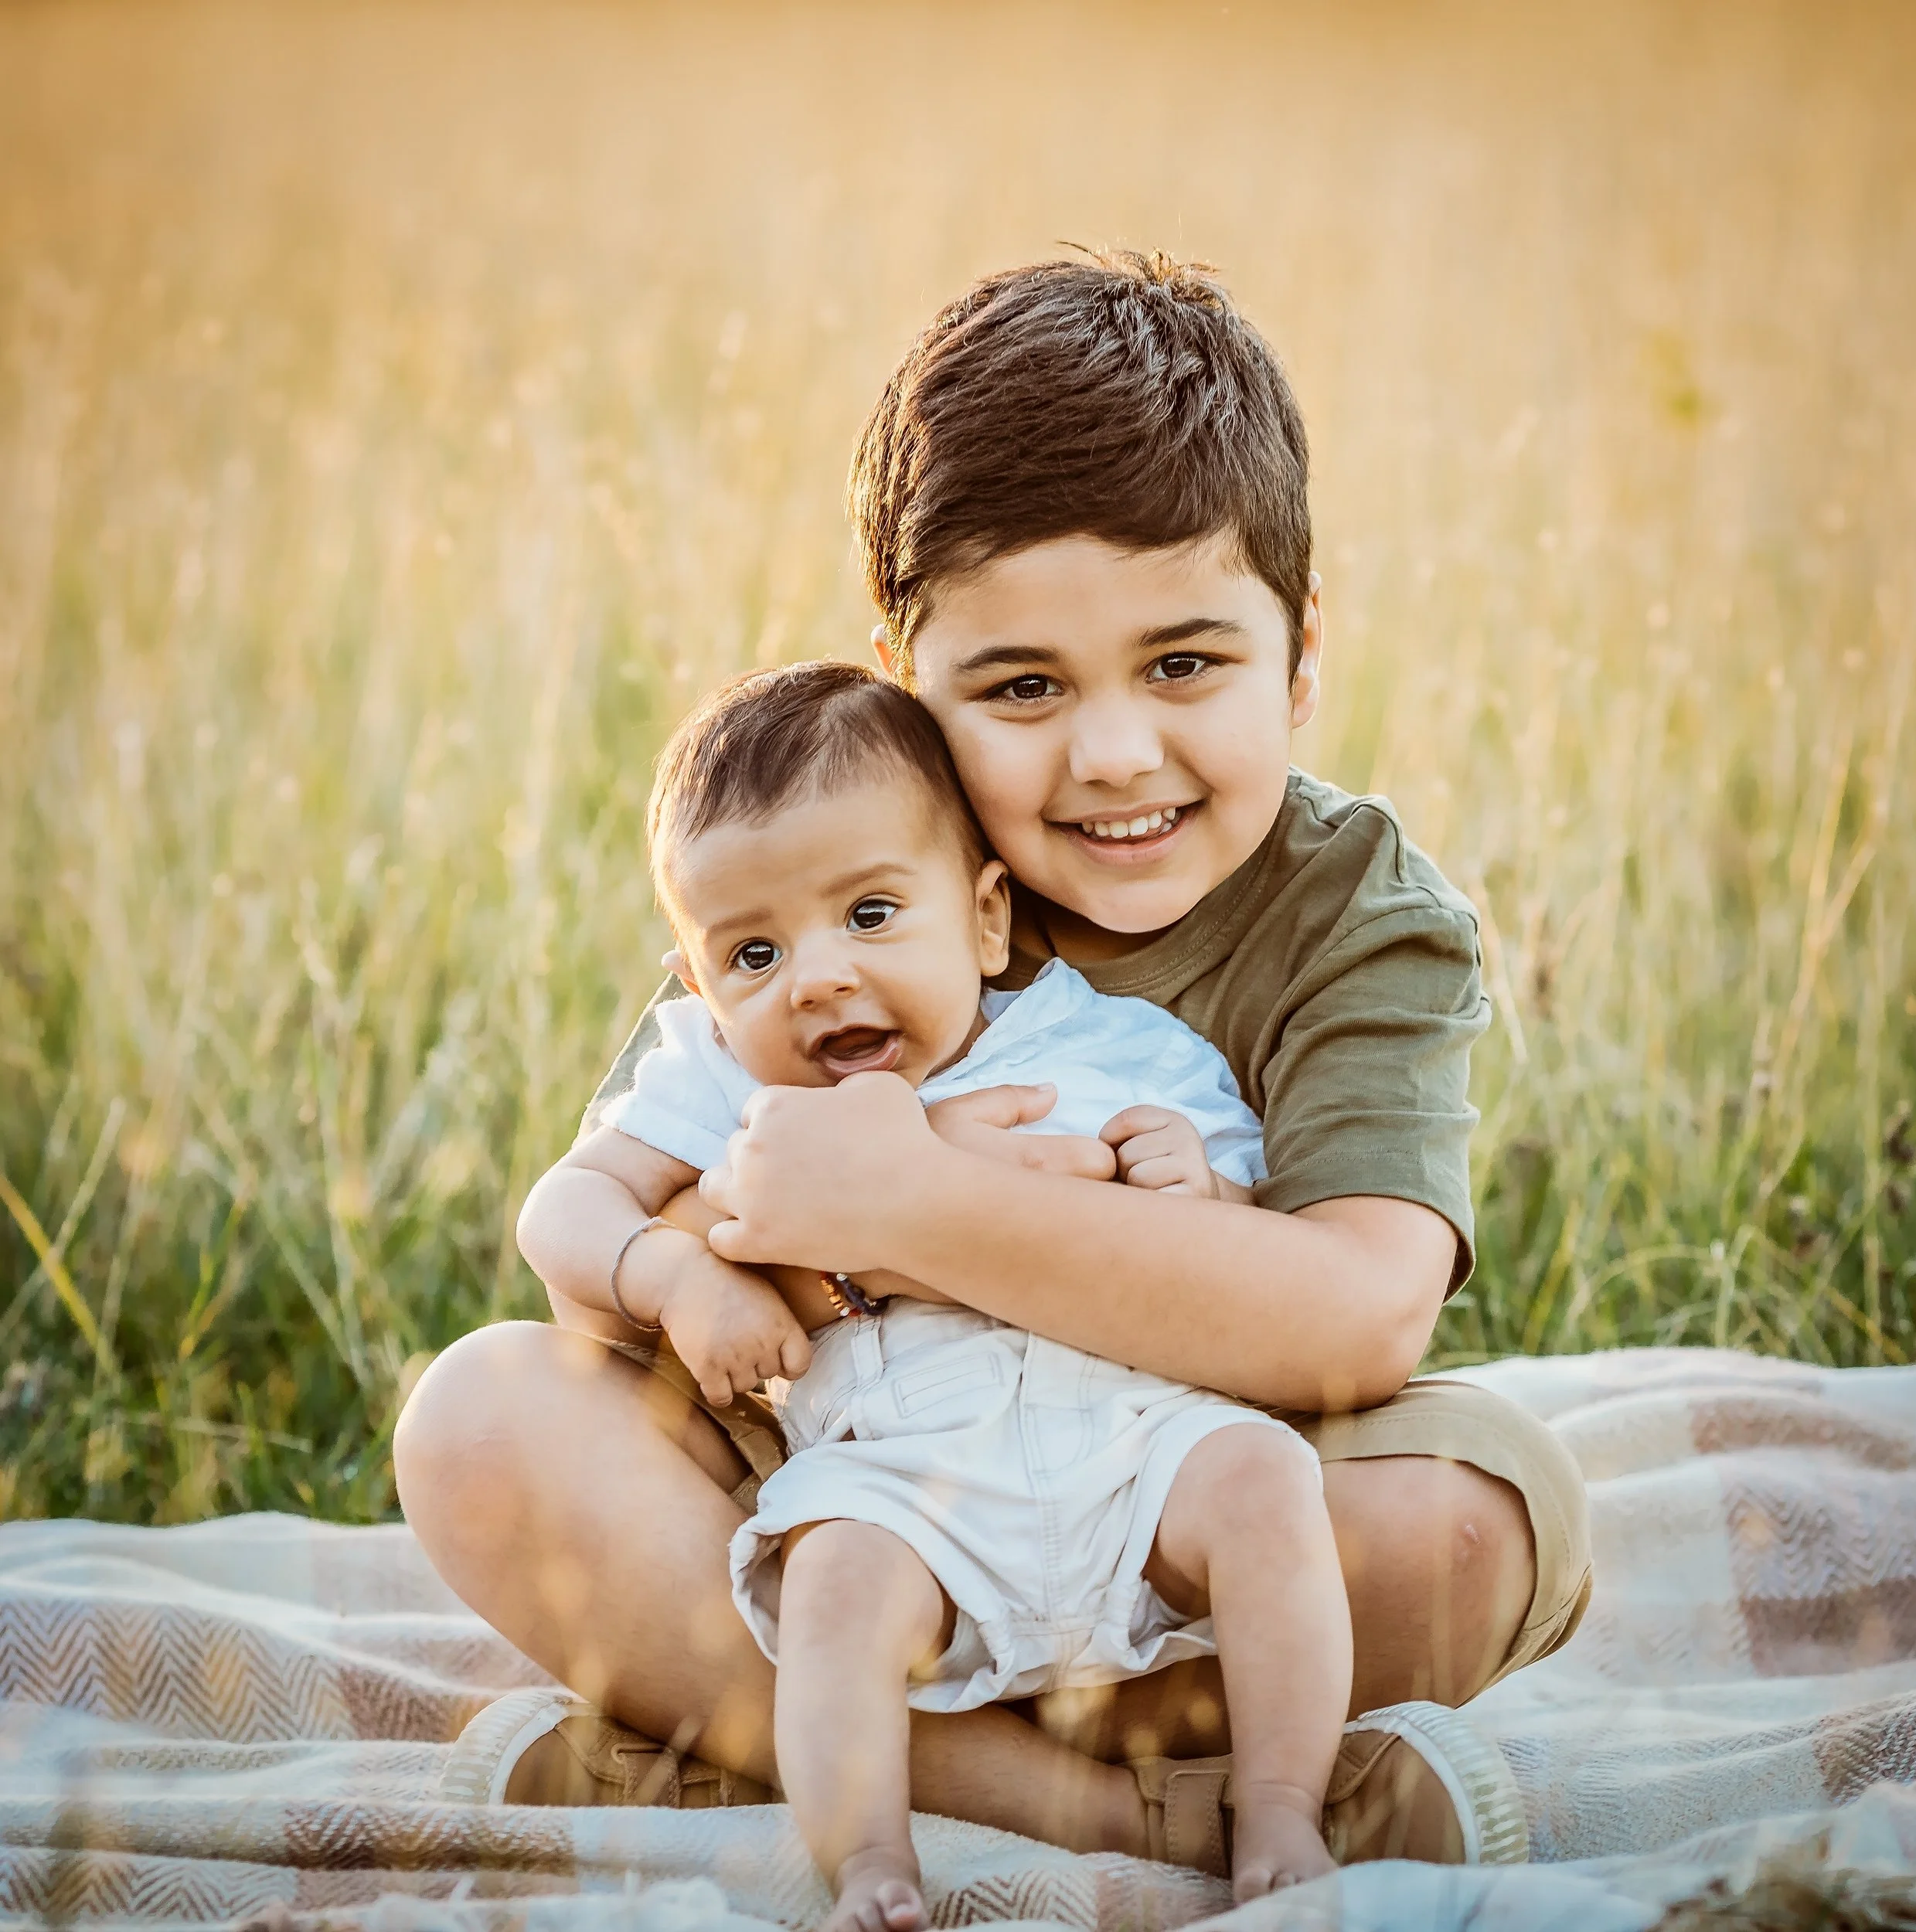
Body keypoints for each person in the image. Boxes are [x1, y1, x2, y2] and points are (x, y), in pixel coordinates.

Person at [396, 250, 1591, 1876]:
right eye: (1021, 686)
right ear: (911, 686)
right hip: (856, 1482)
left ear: (1299, 654)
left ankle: (740, 1743)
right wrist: (716, 1260)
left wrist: (911, 1204)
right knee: (476, 1421)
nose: (1110, 753)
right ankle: (1118, 1813)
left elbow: (1359, 1314)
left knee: (1465, 1529)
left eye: (1184, 663)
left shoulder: (1359, 913)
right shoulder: (833, 878)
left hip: (1171, 1486)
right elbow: (617, 1270)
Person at [516, 661, 1350, 1928]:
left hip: (1133, 1448)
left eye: (869, 915)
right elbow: (561, 1214)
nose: (815, 978)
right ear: (695, 987)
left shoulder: (1107, 1043)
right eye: (752, 951)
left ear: (985, 918)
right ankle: (872, 1867)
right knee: (832, 1593)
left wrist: (1206, 1195)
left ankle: (1283, 1816)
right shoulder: (716, 1075)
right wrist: (672, 1270)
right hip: (901, 1486)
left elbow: (1259, 1254)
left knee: (1268, 1485)